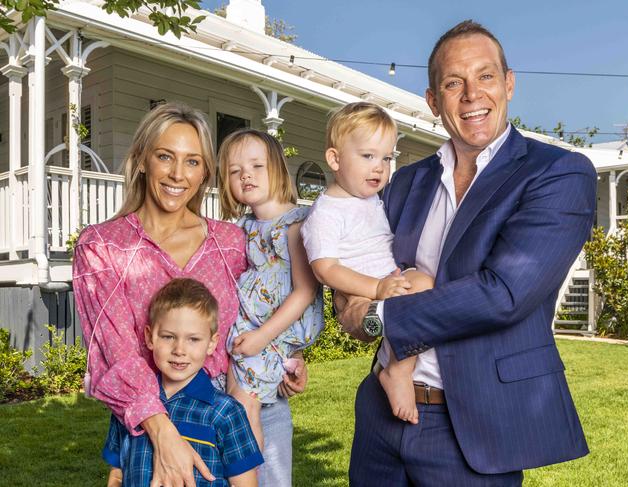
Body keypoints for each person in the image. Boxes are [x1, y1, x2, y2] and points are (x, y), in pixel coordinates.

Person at [337, 20, 595, 486]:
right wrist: (350, 304)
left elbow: (504, 293)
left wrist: (379, 314)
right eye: (454, 83)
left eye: (486, 76)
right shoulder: (406, 183)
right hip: (381, 414)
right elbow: (355, 260)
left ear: (509, 83)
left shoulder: (558, 173)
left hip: (472, 430)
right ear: (434, 100)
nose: (472, 94)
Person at [73, 102, 305, 487]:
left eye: (193, 162)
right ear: (143, 159)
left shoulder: (231, 242)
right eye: (166, 156)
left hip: (245, 404)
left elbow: (265, 302)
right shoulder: (102, 245)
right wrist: (162, 433)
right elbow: (114, 353)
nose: (178, 174)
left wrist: (288, 356)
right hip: (154, 414)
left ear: (205, 174)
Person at [300, 102, 433, 424]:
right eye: (368, 156)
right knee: (398, 306)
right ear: (335, 159)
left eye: (387, 158)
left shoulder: (372, 200)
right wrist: (375, 288)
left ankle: (392, 365)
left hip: (389, 279)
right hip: (360, 289)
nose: (379, 167)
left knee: (426, 283)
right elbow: (325, 268)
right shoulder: (326, 213)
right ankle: (398, 372)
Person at [217, 127, 324, 452]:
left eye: (256, 166)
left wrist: (263, 337)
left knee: (242, 406)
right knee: (237, 405)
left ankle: (245, 475)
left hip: (269, 332)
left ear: (277, 168)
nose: (245, 175)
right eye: (235, 171)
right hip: (251, 330)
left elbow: (305, 292)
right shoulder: (244, 228)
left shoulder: (293, 224)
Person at [103, 278, 262, 487]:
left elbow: (246, 484)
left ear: (211, 343)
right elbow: (117, 474)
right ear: (150, 337)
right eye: (168, 337)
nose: (179, 350)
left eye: (193, 339)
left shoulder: (226, 412)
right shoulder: (131, 404)